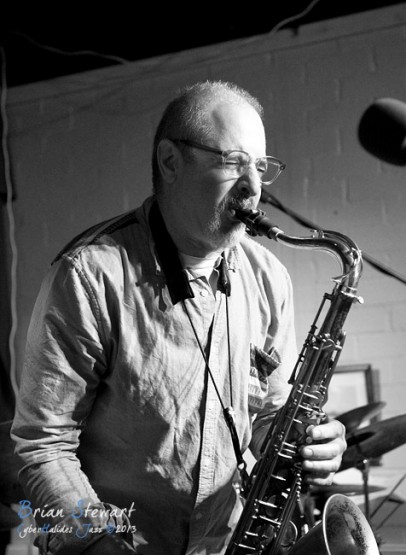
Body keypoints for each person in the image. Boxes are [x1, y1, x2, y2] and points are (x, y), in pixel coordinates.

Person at [11, 80, 347, 555]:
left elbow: (270, 414)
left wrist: (311, 443)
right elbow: (42, 445)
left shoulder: (269, 277)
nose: (254, 187)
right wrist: (95, 543)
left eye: (260, 166)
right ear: (170, 162)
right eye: (233, 161)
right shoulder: (89, 276)